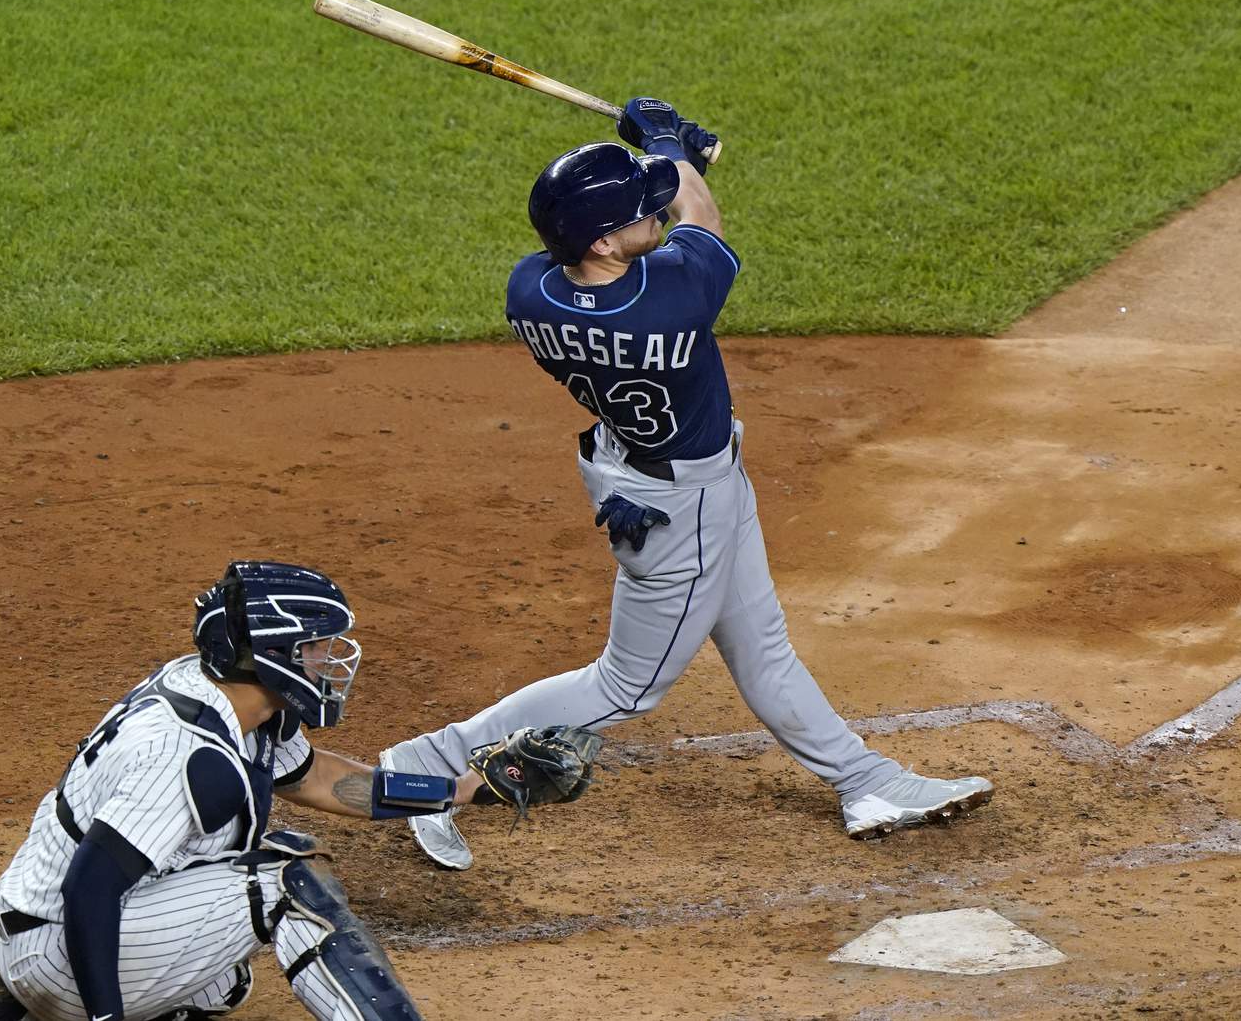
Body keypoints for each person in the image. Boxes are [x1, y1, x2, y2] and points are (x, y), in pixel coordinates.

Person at [380, 98, 993, 872]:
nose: (656, 215)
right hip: (683, 507)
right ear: (603, 242)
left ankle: (865, 781)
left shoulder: (531, 289)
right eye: (640, 213)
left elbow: (671, 218)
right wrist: (668, 147)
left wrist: (670, 171)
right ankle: (429, 762)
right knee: (626, 687)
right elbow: (700, 218)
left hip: (643, 472)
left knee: (762, 647)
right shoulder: (670, 300)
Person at [0, 561, 599, 1021]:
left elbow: (317, 779)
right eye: (314, 648)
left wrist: (462, 790)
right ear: (274, 654)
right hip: (60, 946)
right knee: (283, 879)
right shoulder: (189, 754)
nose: (330, 660)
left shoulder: (233, 701)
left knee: (223, 983)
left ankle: (18, 1001)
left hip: (35, 930)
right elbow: (89, 889)